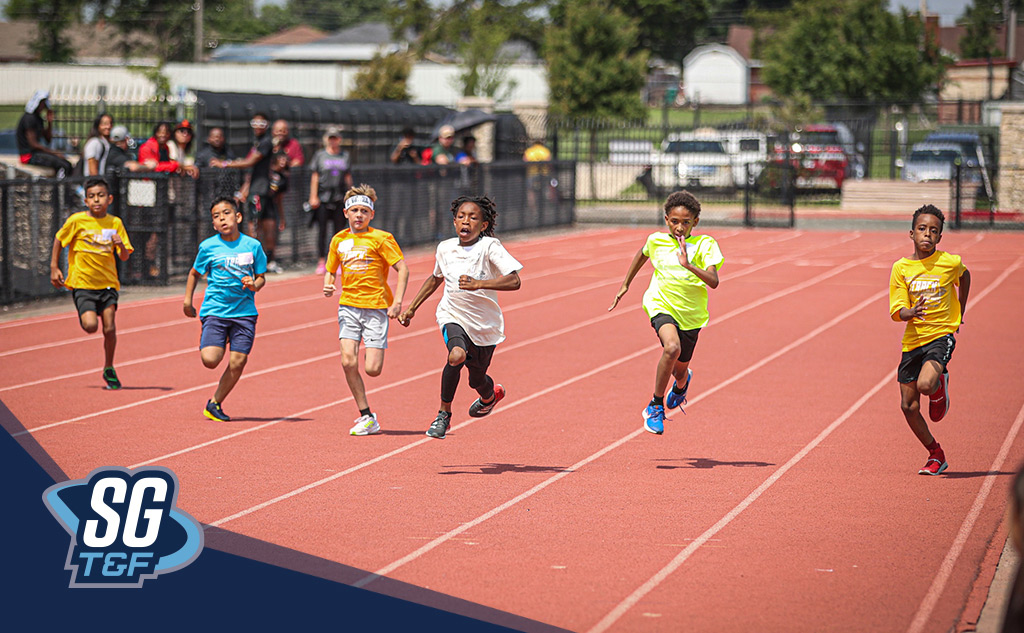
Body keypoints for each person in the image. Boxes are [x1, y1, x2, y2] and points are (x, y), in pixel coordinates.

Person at [398, 195, 523, 439]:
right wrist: (412, 307)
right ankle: (443, 415)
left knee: (477, 379)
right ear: (454, 222)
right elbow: (436, 278)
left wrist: (479, 283)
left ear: (483, 225)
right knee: (456, 355)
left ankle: (490, 396)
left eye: (473, 217)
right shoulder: (445, 248)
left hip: (485, 325)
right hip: (452, 314)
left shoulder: (490, 247)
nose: (466, 221)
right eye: (461, 216)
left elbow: (514, 280)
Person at [608, 190, 723, 435]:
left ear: (695, 222)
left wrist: (688, 265)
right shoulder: (657, 240)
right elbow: (642, 253)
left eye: (685, 222)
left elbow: (713, 281)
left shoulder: (705, 245)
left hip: (692, 315)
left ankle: (681, 384)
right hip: (661, 304)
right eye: (674, 221)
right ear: (666, 219)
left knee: (679, 369)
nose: (679, 227)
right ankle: (655, 406)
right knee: (671, 348)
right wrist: (626, 283)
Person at [889, 204, 971, 476]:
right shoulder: (901, 268)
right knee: (908, 406)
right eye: (922, 229)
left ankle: (938, 386)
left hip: (940, 336)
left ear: (940, 237)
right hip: (913, 341)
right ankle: (935, 453)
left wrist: (961, 310)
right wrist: (908, 312)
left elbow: (965, 276)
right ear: (911, 233)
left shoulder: (950, 262)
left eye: (934, 231)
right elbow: (896, 311)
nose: (927, 235)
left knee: (925, 384)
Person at [322, 185, 409, 436]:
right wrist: (329, 284)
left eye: (364, 211)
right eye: (354, 210)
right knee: (347, 361)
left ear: (371, 214)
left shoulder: (381, 238)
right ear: (346, 213)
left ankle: (369, 415)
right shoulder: (339, 240)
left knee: (372, 369)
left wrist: (398, 302)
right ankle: (366, 416)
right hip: (349, 306)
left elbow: (402, 269)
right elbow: (331, 268)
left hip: (376, 308)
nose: (358, 215)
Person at [183, 196, 267, 422]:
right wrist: (187, 301)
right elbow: (194, 273)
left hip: (244, 313)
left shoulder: (253, 245)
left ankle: (215, 403)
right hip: (216, 311)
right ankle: (219, 337)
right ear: (213, 224)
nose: (222, 219)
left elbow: (261, 278)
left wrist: (254, 285)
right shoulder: (208, 247)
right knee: (210, 360)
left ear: (238, 217)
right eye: (216, 216)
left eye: (226, 213)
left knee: (238, 361)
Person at [49, 177, 134, 389]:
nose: (97, 200)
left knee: (110, 328)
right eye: (92, 196)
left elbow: (124, 256)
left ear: (110, 199)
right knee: (90, 326)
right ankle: (86, 312)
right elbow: (59, 239)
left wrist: (121, 245)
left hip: (107, 284)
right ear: (86, 201)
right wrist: (54, 267)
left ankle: (108, 367)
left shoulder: (115, 223)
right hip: (83, 283)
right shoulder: (77, 221)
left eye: (101, 195)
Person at [211, 112, 274, 239]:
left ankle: (255, 254)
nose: (257, 126)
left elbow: (250, 162)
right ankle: (268, 256)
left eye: (261, 123)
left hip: (259, 189)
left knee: (255, 222)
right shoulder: (259, 142)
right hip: (261, 187)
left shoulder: (265, 142)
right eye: (254, 123)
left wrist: (224, 164)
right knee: (266, 220)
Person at [308, 126, 353, 274]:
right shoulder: (320, 155)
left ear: (339, 140)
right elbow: (315, 176)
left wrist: (351, 194)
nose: (333, 141)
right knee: (322, 230)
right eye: (330, 138)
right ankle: (322, 260)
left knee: (339, 231)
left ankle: (338, 260)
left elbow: (347, 176)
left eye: (336, 138)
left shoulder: (344, 156)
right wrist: (313, 196)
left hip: (339, 197)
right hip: (323, 198)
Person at [16, 90, 72, 178]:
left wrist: (49, 122)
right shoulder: (29, 118)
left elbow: (47, 139)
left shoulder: (38, 119)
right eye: (41, 103)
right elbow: (33, 144)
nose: (42, 106)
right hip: (28, 156)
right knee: (63, 165)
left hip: (37, 153)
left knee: (67, 164)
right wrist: (53, 152)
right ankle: (61, 188)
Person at [260, 151, 290, 273]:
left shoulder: (283, 178)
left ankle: (270, 261)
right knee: (254, 232)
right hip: (258, 202)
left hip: (270, 206)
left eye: (285, 159)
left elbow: (279, 199)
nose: (283, 161)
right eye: (280, 158)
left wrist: (282, 218)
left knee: (270, 234)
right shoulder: (266, 170)